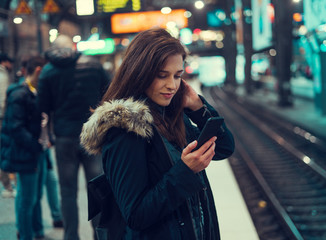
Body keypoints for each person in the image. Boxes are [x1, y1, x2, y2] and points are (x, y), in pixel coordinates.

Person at [80, 28, 235, 240]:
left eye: (178, 76)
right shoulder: (125, 129)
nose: (171, 85)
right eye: (162, 76)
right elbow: (135, 215)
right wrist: (186, 172)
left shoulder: (171, 116)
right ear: (140, 73)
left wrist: (198, 107)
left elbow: (224, 147)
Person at [37, 34, 110, 240]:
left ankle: (71, 236)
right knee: (96, 187)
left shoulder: (48, 71)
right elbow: (111, 94)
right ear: (73, 46)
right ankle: (100, 235)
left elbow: (42, 107)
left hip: (64, 138)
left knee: (67, 191)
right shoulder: (94, 66)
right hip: (93, 136)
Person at [0, 56, 47, 240]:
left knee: (35, 196)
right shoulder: (19, 93)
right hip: (27, 152)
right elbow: (16, 128)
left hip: (37, 150)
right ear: (38, 71)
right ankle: (26, 234)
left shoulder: (36, 91)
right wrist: (35, 146)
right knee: (27, 199)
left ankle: (37, 231)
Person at [0, 52, 16, 198]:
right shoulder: (3, 76)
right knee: (4, 151)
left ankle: (8, 185)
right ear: (5, 62)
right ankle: (8, 186)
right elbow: (3, 100)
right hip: (2, 119)